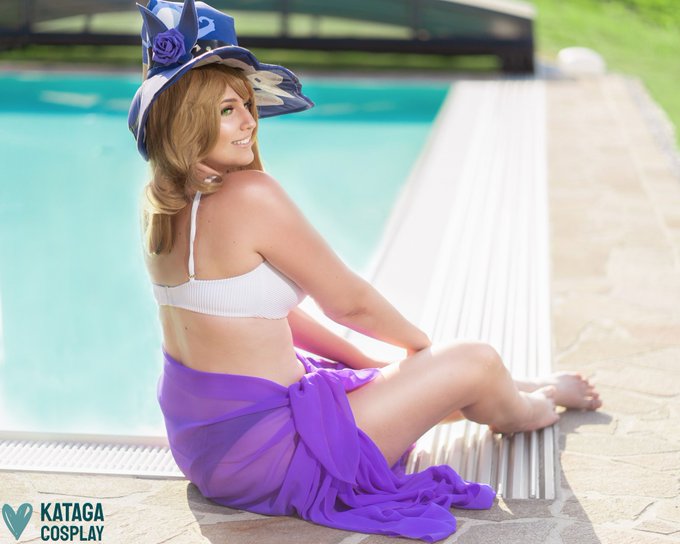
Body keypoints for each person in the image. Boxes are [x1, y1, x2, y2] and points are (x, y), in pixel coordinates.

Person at [128, 0, 602, 541]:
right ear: (188, 120)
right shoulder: (250, 194)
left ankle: (511, 384)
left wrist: (370, 364)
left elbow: (257, 314)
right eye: (227, 110)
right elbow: (349, 303)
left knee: (382, 379)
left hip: (205, 452)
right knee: (474, 359)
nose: (250, 122)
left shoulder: (162, 207)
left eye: (246, 104)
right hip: (275, 458)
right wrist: (422, 349)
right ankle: (535, 406)